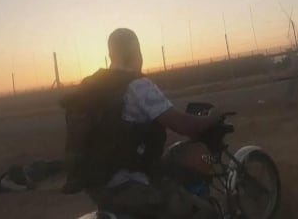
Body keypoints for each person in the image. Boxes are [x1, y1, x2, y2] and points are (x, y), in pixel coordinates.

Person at [60, 28, 220, 219]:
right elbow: (184, 126)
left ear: (111, 54)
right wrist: (212, 118)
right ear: (137, 52)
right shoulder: (138, 86)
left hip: (96, 182)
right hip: (128, 183)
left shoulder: (93, 85)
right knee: (206, 212)